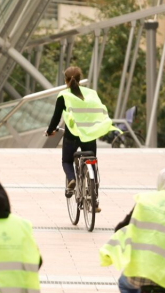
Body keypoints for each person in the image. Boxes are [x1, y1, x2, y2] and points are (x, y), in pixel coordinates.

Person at [46, 65, 115, 211]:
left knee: (66, 160)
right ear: (80, 79)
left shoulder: (64, 95)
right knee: (92, 164)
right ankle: (94, 201)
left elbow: (56, 117)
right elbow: (99, 111)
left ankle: (71, 179)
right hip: (89, 135)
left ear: (66, 80)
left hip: (72, 135)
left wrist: (50, 131)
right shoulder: (92, 94)